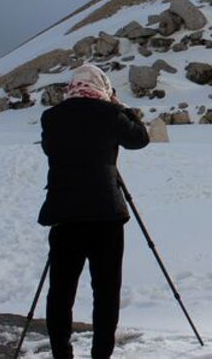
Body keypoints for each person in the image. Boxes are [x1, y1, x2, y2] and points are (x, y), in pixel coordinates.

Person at [38, 64, 149, 359]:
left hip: (65, 215)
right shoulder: (110, 114)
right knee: (106, 292)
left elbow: (50, 150)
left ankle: (62, 353)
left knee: (61, 292)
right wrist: (121, 107)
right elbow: (139, 139)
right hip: (106, 215)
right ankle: (101, 355)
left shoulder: (52, 117)